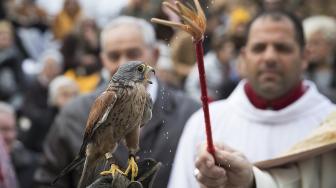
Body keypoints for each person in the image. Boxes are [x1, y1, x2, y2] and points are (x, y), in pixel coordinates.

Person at [168, 10, 336, 188]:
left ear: (305, 57)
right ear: (243, 57)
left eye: (282, 48)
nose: (270, 57)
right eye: (259, 48)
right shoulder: (203, 122)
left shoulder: (329, 125)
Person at [33, 16, 200, 188]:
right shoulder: (74, 114)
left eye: (133, 54)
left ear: (155, 55)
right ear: (103, 59)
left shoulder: (191, 113)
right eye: (114, 56)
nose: (123, 63)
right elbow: (47, 181)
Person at [303, 15, 336, 102]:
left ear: (330, 44)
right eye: (307, 43)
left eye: (316, 43)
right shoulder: (300, 74)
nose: (310, 48)